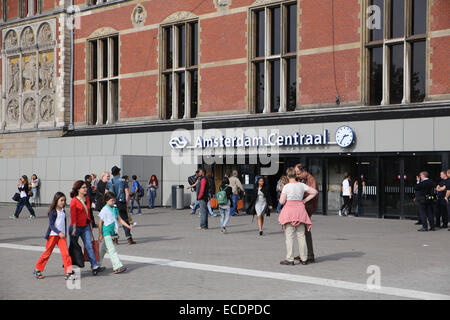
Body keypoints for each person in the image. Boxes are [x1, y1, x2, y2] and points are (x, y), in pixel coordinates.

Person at [279, 168, 318, 265]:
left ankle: (290, 259)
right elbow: (314, 192)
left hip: (289, 212)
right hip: (300, 211)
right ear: (295, 176)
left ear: (288, 176)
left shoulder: (286, 187)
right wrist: (304, 200)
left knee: (289, 236)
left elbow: (282, 201)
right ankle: (304, 258)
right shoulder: (302, 185)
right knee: (301, 236)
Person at [34, 192, 75, 280]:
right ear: (56, 201)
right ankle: (37, 269)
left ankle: (68, 272)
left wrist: (64, 233)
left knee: (66, 254)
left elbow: (64, 223)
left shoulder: (63, 211)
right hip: (53, 235)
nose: (63, 202)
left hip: (61, 236)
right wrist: (59, 232)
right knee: (47, 253)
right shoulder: (53, 212)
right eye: (61, 200)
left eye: (64, 200)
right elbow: (51, 225)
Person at [69, 180, 105, 275]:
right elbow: (73, 216)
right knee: (73, 247)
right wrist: (74, 228)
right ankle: (69, 267)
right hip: (75, 227)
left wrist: (90, 224)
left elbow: (89, 213)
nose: (86, 189)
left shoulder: (87, 199)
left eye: (86, 187)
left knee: (89, 246)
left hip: (85, 226)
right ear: (78, 189)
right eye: (83, 187)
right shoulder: (74, 201)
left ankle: (94, 266)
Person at [98, 192, 131, 274]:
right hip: (106, 232)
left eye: (114, 200)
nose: (113, 202)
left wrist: (128, 226)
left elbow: (120, 219)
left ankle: (96, 264)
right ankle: (117, 266)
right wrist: (100, 234)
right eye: (111, 201)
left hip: (112, 232)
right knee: (112, 249)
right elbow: (100, 222)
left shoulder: (115, 208)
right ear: (106, 201)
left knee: (102, 250)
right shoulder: (104, 209)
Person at [295, 163, 318, 263]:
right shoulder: (302, 179)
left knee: (305, 231)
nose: (297, 175)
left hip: (307, 208)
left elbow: (314, 193)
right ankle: (304, 254)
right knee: (303, 231)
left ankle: (309, 255)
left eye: (298, 173)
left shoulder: (311, 179)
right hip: (303, 208)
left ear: (304, 171)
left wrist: (304, 201)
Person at [106, 167, 136, 244]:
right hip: (121, 203)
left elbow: (106, 194)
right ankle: (129, 238)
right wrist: (126, 203)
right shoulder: (123, 181)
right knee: (125, 220)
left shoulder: (109, 182)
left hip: (112, 204)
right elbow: (127, 193)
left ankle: (115, 239)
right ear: (118, 173)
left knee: (113, 222)